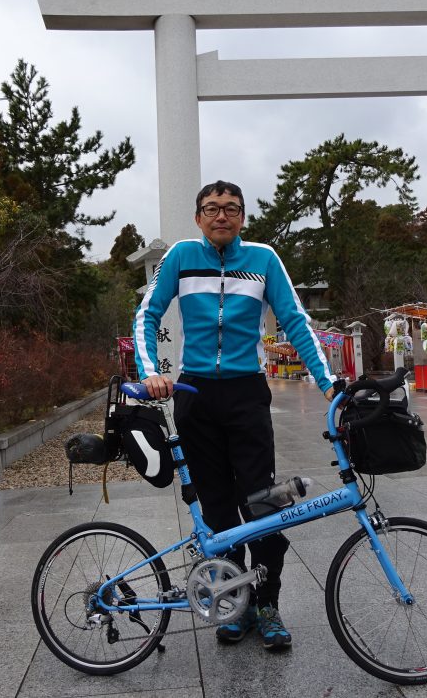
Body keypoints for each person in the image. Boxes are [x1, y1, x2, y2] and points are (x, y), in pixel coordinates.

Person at [134, 180, 334, 650]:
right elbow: (146, 314)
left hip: (246, 393)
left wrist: (330, 385)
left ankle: (268, 604)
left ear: (243, 217)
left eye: (231, 209)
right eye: (211, 208)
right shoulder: (182, 256)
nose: (221, 216)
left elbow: (296, 321)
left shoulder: (263, 259)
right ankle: (234, 601)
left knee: (262, 502)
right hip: (195, 393)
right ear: (198, 218)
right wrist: (150, 372)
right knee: (219, 507)